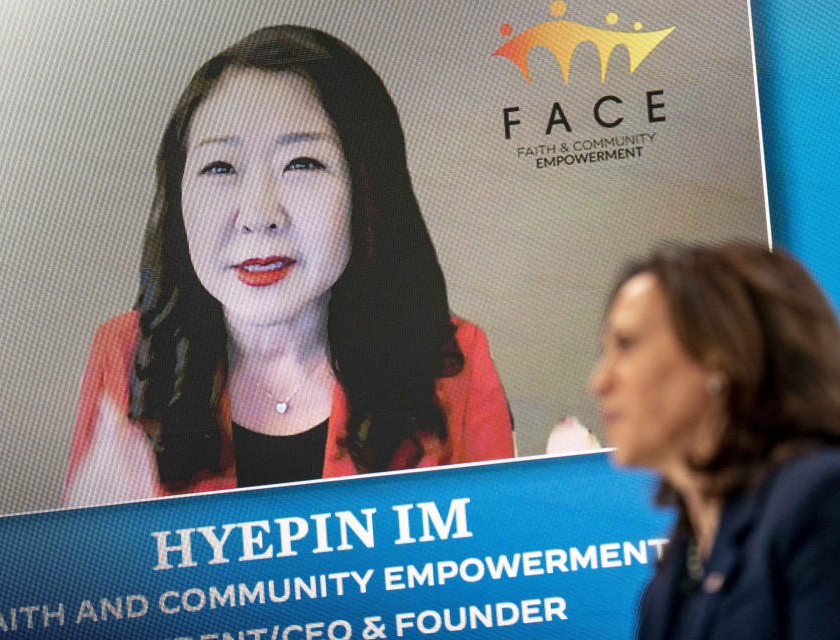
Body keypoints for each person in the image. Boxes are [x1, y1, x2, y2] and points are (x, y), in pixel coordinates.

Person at [64, 25, 513, 507]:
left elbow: (494, 560)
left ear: (365, 190)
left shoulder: (451, 361)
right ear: (178, 199)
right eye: (220, 167)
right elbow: (85, 572)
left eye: (301, 164)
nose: (259, 216)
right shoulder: (126, 353)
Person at [589, 244, 840, 639]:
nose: (599, 382)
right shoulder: (673, 576)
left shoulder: (828, 501)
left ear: (720, 354)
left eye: (627, 344)